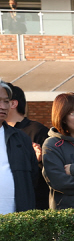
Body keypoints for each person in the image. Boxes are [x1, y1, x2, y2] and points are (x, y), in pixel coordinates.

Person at [5, 83, 51, 209]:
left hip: (33, 207)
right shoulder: (3, 132)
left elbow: (51, 171)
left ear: (13, 104)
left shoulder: (37, 131)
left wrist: (37, 161)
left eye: (4, 100)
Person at [0, 82, 38, 214]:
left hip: (16, 221)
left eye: (6, 101)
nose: (3, 107)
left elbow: (32, 178)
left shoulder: (20, 138)